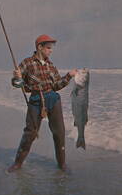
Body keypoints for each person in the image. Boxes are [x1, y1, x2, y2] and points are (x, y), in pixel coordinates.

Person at [7, 34, 77, 172]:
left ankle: (62, 164)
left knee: (59, 132)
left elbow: (56, 85)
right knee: (30, 133)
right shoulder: (27, 63)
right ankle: (17, 164)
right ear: (39, 47)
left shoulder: (51, 66)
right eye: (48, 48)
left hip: (53, 99)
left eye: (51, 48)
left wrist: (69, 76)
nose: (51, 51)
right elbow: (17, 84)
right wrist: (17, 77)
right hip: (35, 100)